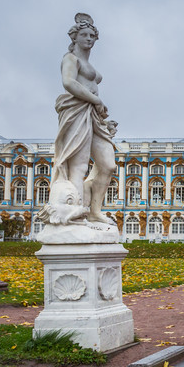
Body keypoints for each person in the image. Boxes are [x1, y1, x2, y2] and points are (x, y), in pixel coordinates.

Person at [52, 13, 116, 226]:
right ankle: (76, 213)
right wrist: (96, 99)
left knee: (108, 164)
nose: (89, 39)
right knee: (78, 167)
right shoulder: (70, 59)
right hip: (77, 110)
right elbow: (68, 82)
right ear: (74, 37)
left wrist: (96, 105)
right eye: (84, 35)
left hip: (93, 115)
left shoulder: (89, 64)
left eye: (92, 36)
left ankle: (95, 211)